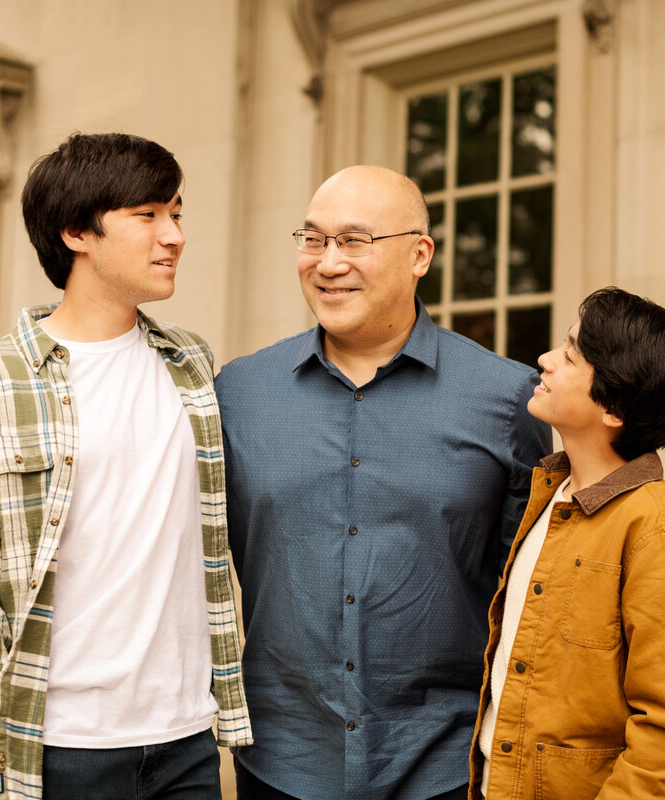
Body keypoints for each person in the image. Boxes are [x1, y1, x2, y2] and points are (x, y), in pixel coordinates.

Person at [0, 132, 252, 800]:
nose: (175, 236)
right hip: (59, 751)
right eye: (148, 216)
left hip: (187, 742)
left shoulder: (191, 365)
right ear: (77, 232)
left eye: (177, 213)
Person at [215, 165, 551, 800]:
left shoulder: (508, 400)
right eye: (313, 239)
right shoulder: (237, 394)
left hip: (444, 764)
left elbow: (525, 592)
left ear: (419, 254)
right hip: (279, 761)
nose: (328, 262)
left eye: (355, 240)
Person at [469, 287, 665, 799]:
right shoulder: (547, 496)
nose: (543, 361)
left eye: (568, 356)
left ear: (613, 407)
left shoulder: (664, 535)